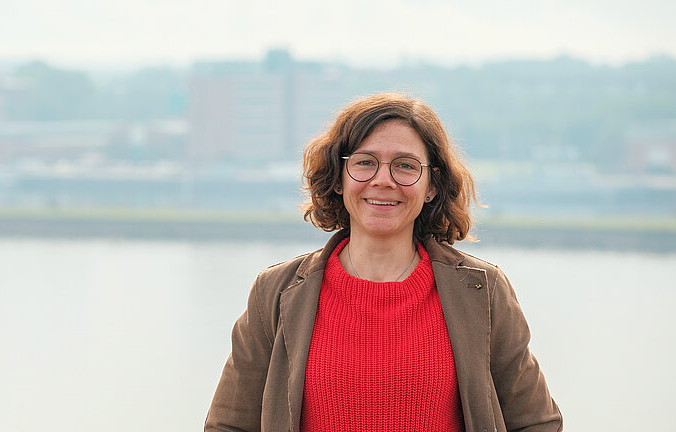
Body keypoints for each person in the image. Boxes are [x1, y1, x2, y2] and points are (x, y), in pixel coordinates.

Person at [205, 93, 562, 431]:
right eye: (364, 162)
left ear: (432, 185)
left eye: (405, 166)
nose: (383, 180)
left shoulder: (483, 291)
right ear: (338, 179)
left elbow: (537, 422)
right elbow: (229, 424)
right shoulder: (275, 292)